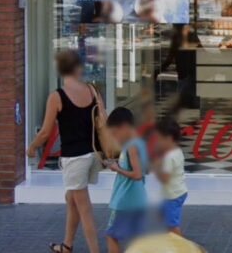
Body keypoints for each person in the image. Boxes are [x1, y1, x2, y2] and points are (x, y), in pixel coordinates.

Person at [27, 50, 104, 253]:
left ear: (60, 70)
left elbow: (45, 132)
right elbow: (103, 119)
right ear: (78, 68)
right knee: (71, 198)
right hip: (93, 154)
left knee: (84, 208)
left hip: (74, 158)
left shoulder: (57, 96)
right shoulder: (92, 90)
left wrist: (33, 147)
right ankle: (67, 245)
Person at [106, 107, 149, 253]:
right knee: (136, 241)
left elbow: (137, 174)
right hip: (137, 200)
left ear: (124, 126)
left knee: (111, 236)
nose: (115, 137)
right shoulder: (138, 143)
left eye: (115, 133)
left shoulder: (132, 146)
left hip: (125, 201)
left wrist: (117, 169)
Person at [154, 118, 188, 236]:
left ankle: (182, 247)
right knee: (163, 218)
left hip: (172, 196)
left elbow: (165, 178)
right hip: (179, 191)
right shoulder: (177, 151)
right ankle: (169, 241)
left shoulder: (169, 156)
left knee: (172, 225)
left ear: (168, 138)